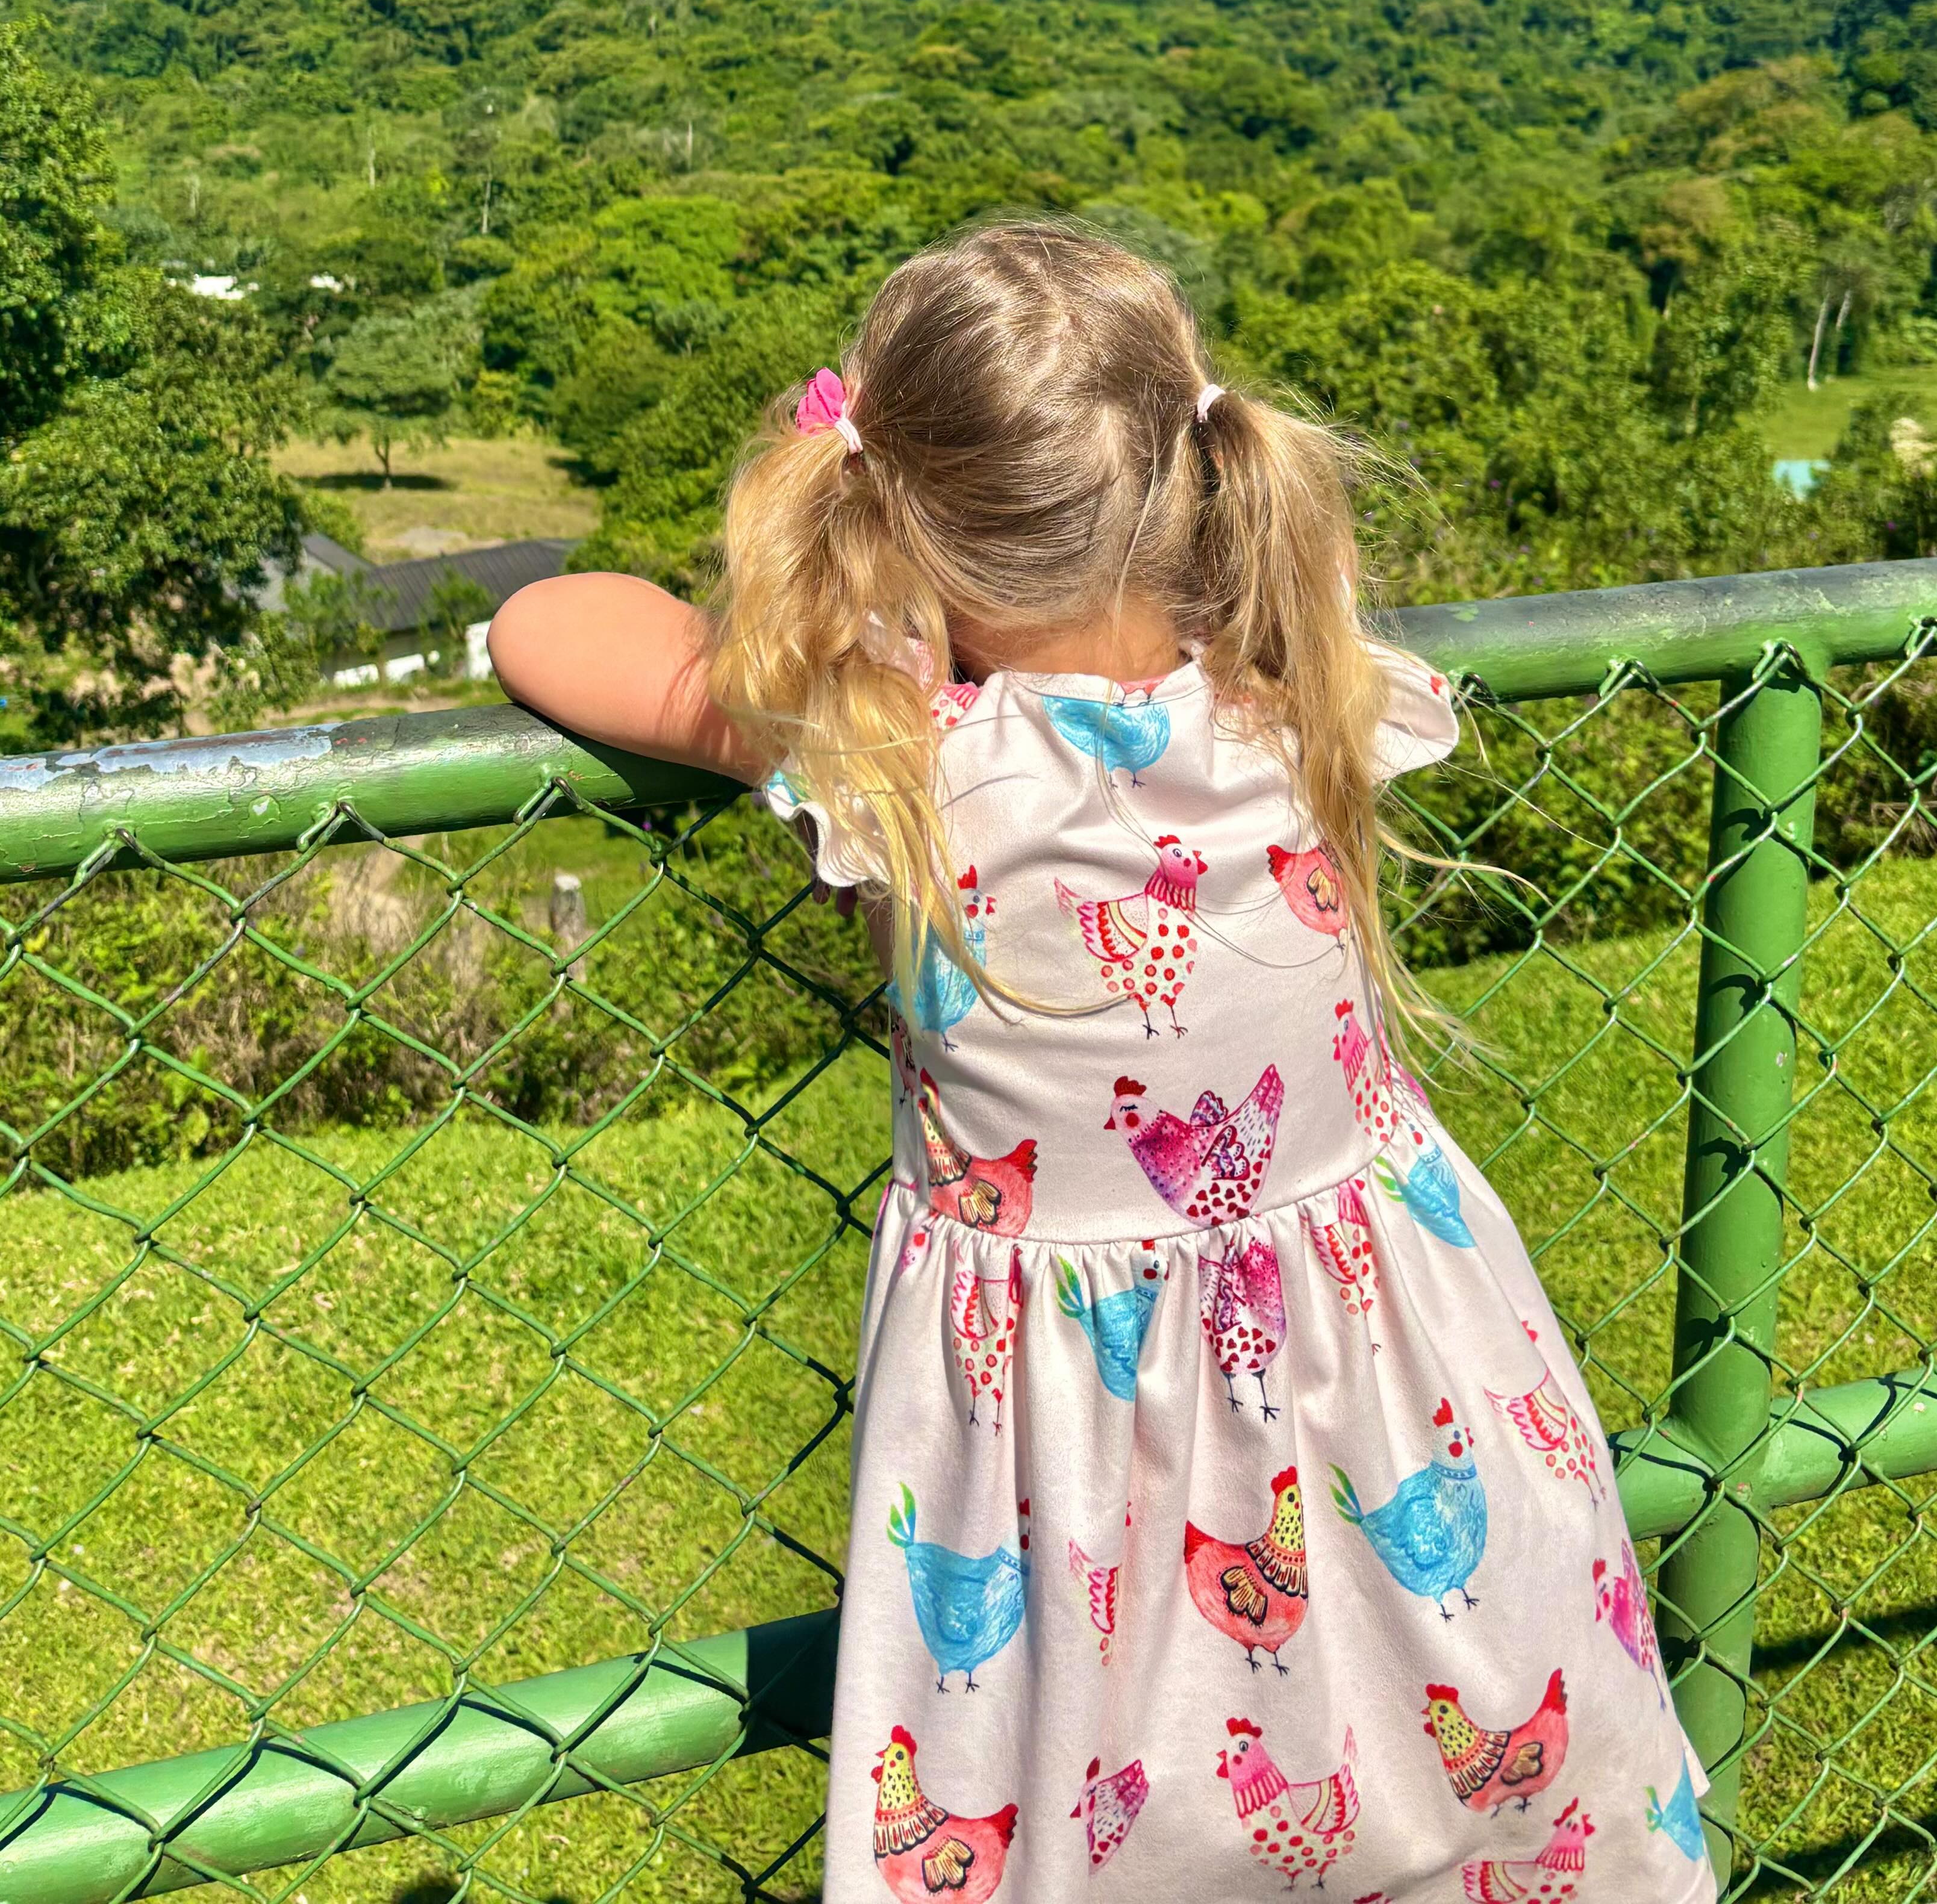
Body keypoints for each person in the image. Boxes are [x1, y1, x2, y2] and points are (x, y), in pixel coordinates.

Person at [490, 218, 1714, 1902]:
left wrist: (826, 575)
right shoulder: (1301, 687)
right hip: (1416, 1397)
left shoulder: (896, 763)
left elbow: (544, 625)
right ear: (1203, 465)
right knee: (1479, 1797)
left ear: (891, 512)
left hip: (1070, 1481)